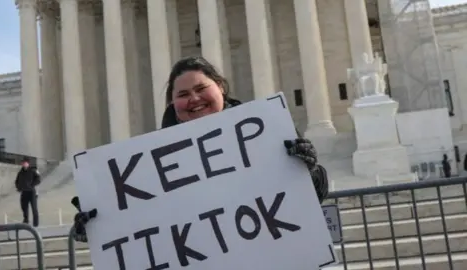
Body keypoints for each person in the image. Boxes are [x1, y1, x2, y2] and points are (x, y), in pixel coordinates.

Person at [71, 56, 329, 242]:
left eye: (201, 88)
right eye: (182, 94)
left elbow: (315, 195)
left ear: (220, 87)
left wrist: (308, 168)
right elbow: (143, 225)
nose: (193, 99)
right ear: (173, 103)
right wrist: (95, 228)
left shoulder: (266, 132)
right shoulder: (153, 163)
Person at [15, 158, 40, 227]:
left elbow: (38, 179)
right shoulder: (20, 172)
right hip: (24, 192)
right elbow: (17, 181)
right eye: (23, 163)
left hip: (31, 192)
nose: (24, 164)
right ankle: (26, 221)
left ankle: (36, 223)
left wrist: (31, 185)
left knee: (34, 208)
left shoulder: (33, 170)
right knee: (24, 207)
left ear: (28, 163)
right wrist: (19, 188)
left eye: (25, 163)